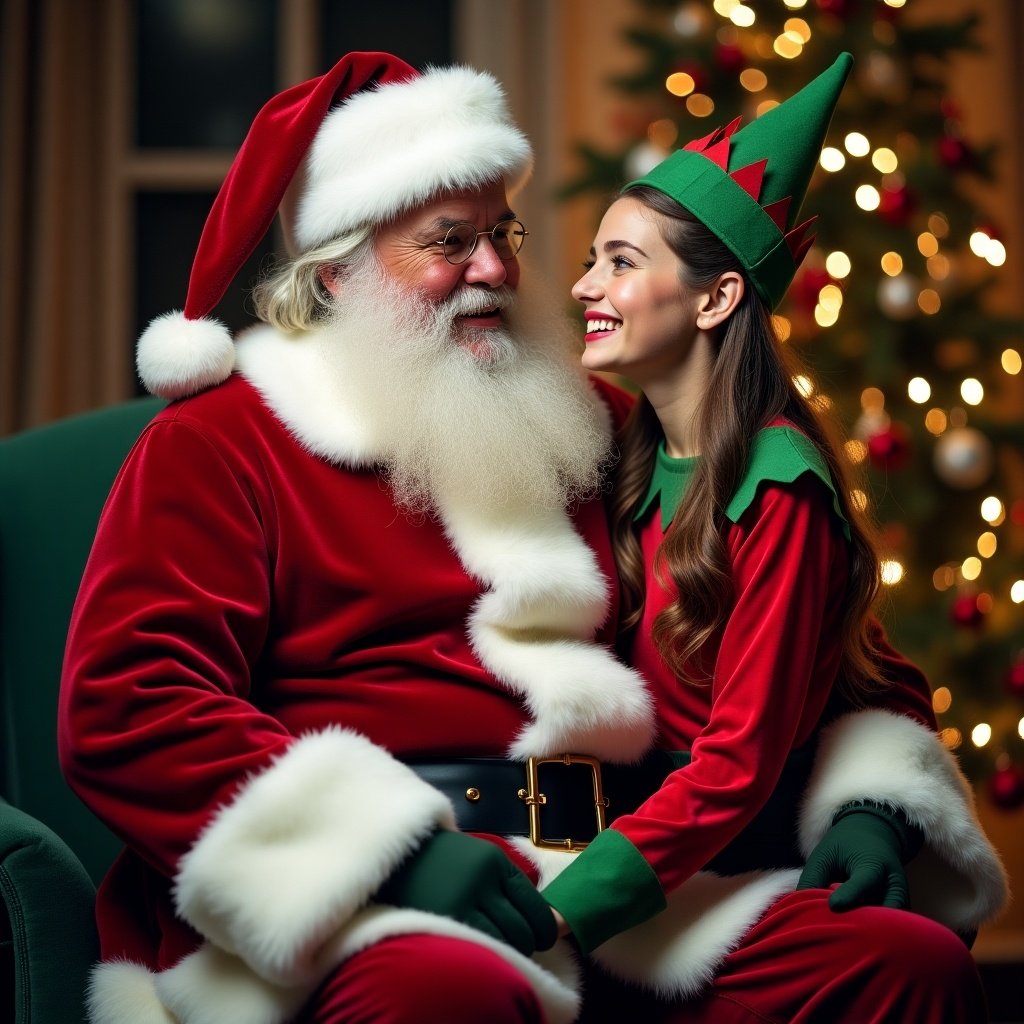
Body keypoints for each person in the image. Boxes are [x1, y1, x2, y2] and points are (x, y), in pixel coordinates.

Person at [57, 51, 1005, 1024]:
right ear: (337, 270)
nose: (498, 269)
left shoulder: (592, 425)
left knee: (898, 962)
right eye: (448, 240)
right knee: (443, 992)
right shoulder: (221, 446)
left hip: (623, 884)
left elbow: (811, 629)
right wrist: (391, 848)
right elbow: (132, 705)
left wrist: (871, 801)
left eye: (502, 232)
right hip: (371, 903)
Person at [538, 52, 1007, 1022]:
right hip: (609, 842)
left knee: (905, 965)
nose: (584, 284)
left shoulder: (777, 484)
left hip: (706, 869)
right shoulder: (613, 452)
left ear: (713, 300)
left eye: (620, 263)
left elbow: (740, 761)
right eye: (592, 257)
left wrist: (561, 911)